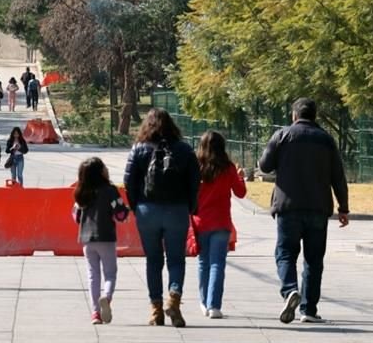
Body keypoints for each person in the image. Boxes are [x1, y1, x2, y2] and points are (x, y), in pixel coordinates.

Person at [258, 98, 349, 325]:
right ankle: (308, 310)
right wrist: (343, 208)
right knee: (314, 260)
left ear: (294, 115)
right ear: (315, 116)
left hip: (288, 207)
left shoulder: (282, 135)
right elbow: (338, 177)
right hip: (318, 208)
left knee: (286, 253)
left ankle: (290, 290)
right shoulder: (327, 140)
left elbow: (264, 165)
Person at [124, 108, 200, 328]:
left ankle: (156, 311)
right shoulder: (185, 150)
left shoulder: (138, 149)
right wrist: (190, 207)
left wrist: (135, 207)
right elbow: (195, 183)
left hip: (147, 210)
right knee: (176, 259)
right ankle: (174, 298)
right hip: (177, 210)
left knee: (153, 260)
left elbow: (129, 181)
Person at [193, 130, 247, 319]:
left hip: (200, 221)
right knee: (218, 264)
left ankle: (203, 301)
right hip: (222, 221)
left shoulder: (196, 167)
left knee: (203, 262)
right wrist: (240, 176)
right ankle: (214, 305)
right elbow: (240, 193)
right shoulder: (228, 167)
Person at [73, 157, 130, 325]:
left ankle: (95, 313)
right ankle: (107, 297)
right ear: (101, 172)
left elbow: (76, 216)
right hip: (106, 237)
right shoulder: (110, 190)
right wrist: (125, 211)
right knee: (110, 274)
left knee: (93, 275)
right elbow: (120, 213)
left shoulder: (81, 191)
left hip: (87, 239)